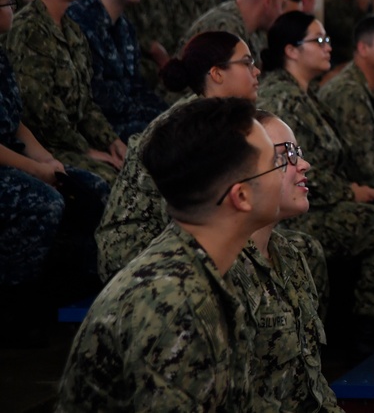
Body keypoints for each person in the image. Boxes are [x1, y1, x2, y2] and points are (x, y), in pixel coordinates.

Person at [56, 98, 276, 410]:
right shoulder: (174, 302)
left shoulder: (205, 264)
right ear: (241, 196)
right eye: (276, 163)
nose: (290, 170)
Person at [256, 11, 374, 323]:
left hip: (320, 197)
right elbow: (281, 165)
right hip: (298, 207)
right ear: (291, 50)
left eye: (327, 40)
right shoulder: (281, 97)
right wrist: (348, 191)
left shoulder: (305, 94)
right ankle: (371, 323)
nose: (328, 47)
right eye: (319, 40)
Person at [95, 31, 260, 280]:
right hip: (135, 248)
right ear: (216, 73)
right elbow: (185, 213)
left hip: (170, 235)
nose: (256, 72)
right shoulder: (188, 127)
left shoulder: (216, 118)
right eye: (247, 63)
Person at [0, 0, 108, 346]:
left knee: (88, 188)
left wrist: (47, 160)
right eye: (6, 4)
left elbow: (14, 119)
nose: (12, 8)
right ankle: (16, 309)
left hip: (15, 153)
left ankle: (69, 298)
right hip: (5, 164)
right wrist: (35, 169)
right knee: (43, 203)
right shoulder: (26, 35)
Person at [236, 112, 343, 412]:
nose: (304, 165)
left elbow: (313, 385)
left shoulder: (290, 255)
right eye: (287, 154)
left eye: (300, 153)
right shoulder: (220, 271)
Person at [6, 0, 127, 185]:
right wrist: (87, 151)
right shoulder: (28, 30)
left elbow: (85, 101)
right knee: (109, 182)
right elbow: (42, 112)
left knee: (134, 167)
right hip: (46, 148)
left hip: (72, 140)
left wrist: (111, 142)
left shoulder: (71, 29)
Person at [67, 0, 167, 139]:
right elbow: (95, 96)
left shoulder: (124, 26)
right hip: (98, 130)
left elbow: (135, 85)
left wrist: (167, 115)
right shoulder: (79, 21)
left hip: (128, 118)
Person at [318, 15, 374, 207]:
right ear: (363, 48)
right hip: (345, 192)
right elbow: (366, 169)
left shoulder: (369, 87)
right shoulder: (348, 92)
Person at [180, 0, 289, 64]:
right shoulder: (224, 27)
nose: (282, 13)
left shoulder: (254, 30)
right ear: (268, 1)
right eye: (282, 5)